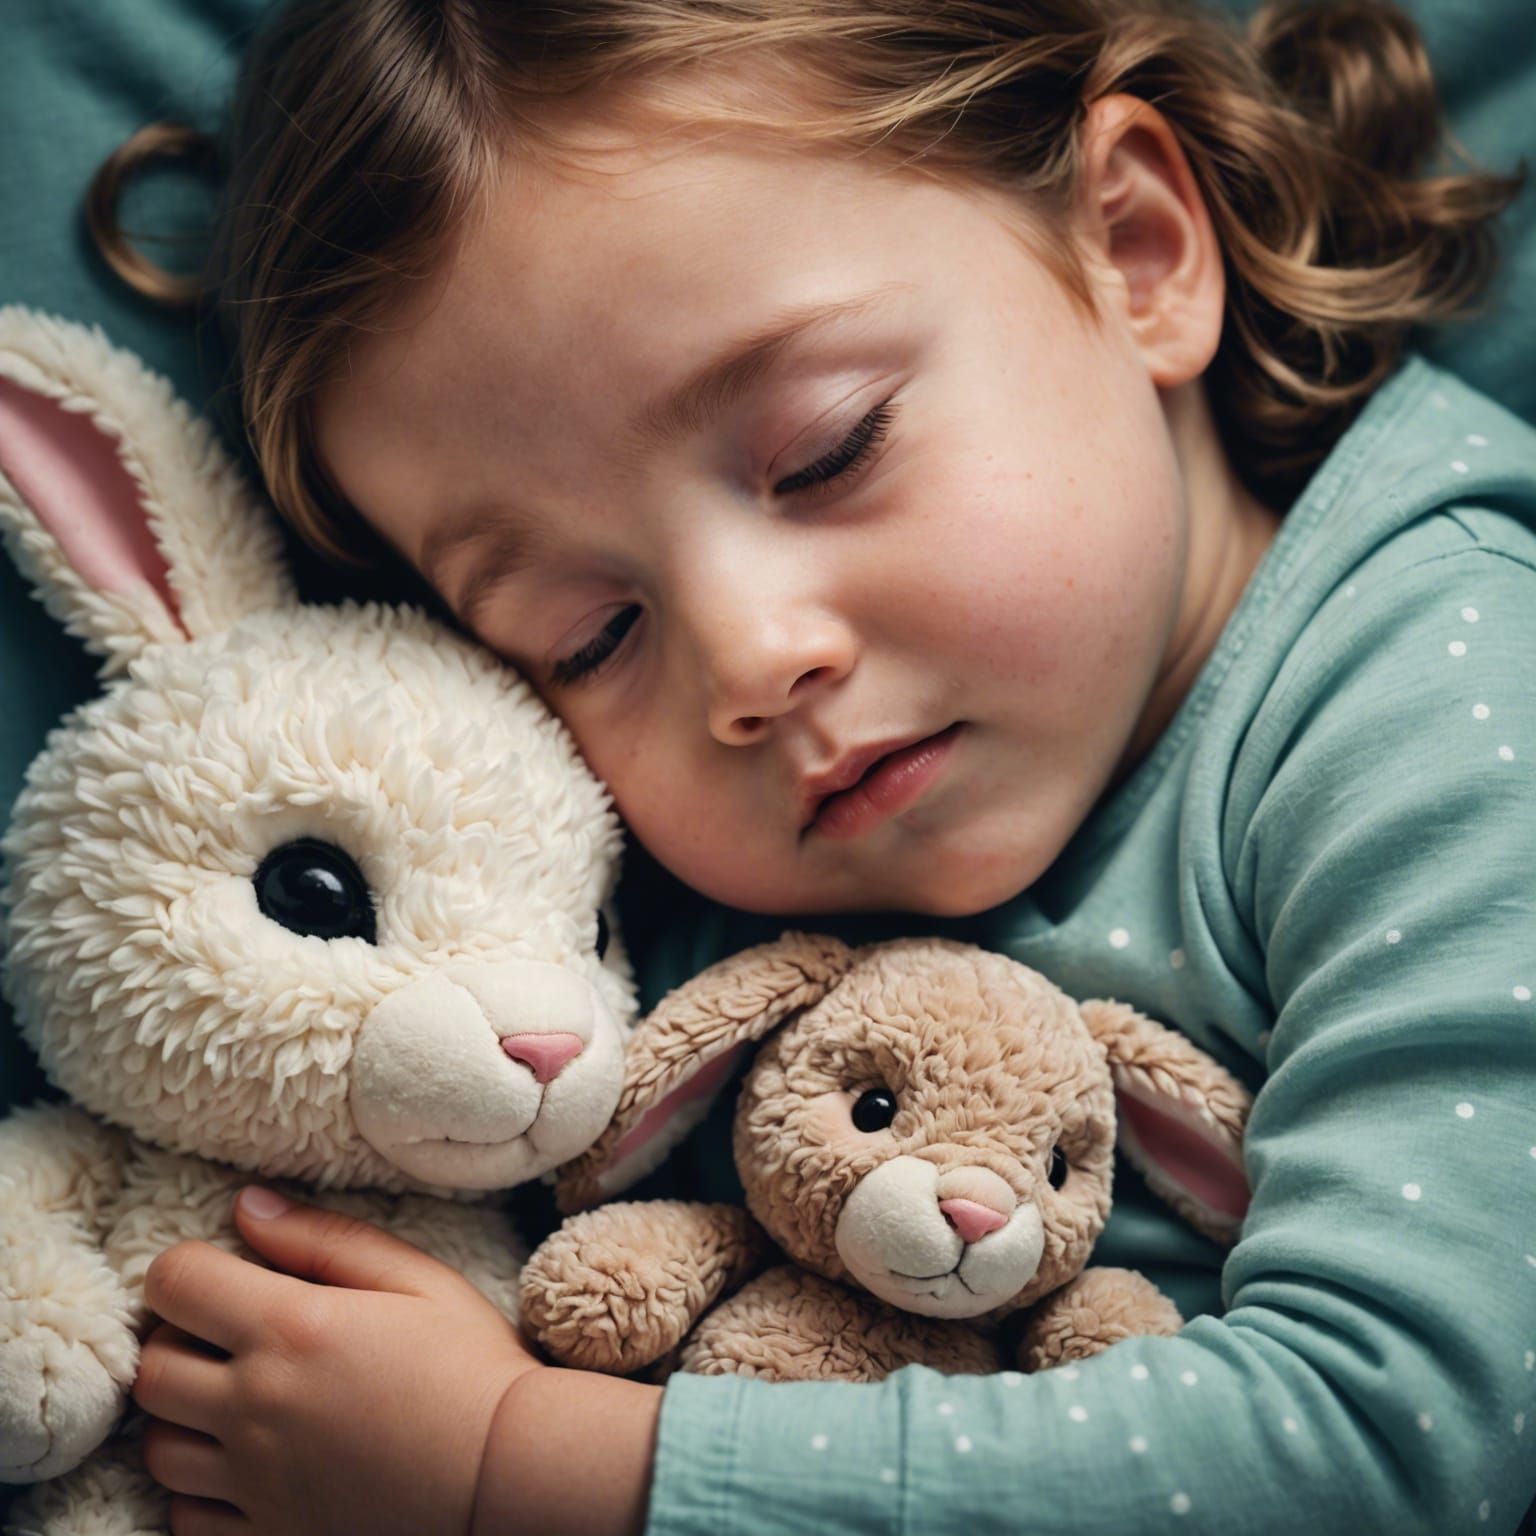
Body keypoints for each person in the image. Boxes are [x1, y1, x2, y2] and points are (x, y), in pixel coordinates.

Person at [88, 0, 1536, 1531]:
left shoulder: (1447, 697)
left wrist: (520, 1464)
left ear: (1136, 247)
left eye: (829, 450)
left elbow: (1400, 1432)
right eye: (588, 636)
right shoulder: (645, 897)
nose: (748, 659)